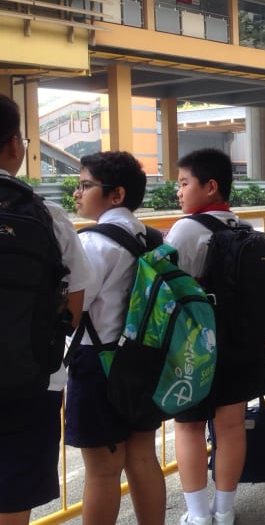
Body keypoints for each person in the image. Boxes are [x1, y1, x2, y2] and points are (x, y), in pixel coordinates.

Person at [165, 149, 265, 525]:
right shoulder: (243, 227)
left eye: (183, 183)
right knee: (230, 427)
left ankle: (197, 516)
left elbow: (167, 289)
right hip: (242, 346)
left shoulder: (186, 229)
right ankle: (224, 512)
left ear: (210, 186)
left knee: (190, 427)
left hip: (194, 349)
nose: (178, 192)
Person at [0, 95, 92, 525]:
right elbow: (75, 301)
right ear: (15, 146)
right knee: (15, 494)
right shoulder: (48, 216)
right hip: (30, 381)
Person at [65, 151, 166, 525]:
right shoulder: (151, 237)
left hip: (98, 364)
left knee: (102, 471)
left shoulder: (93, 243)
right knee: (143, 457)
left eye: (85, 185)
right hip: (141, 362)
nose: (77, 193)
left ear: (116, 194)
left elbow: (73, 312)